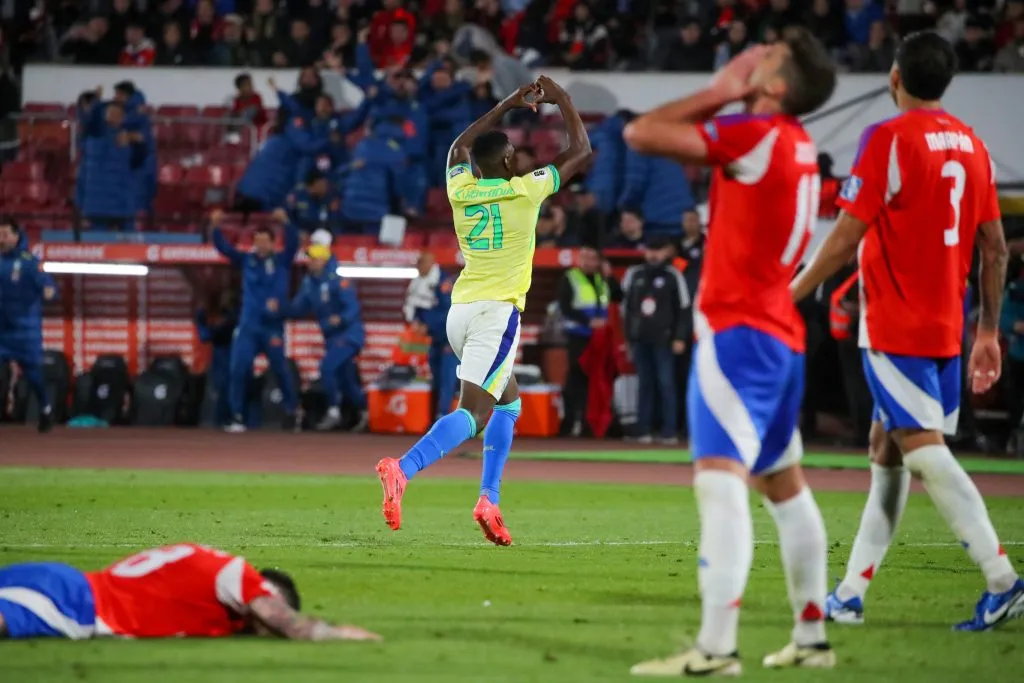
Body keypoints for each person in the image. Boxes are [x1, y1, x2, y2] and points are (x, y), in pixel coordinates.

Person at [791, 31, 1023, 632]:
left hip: (897, 324)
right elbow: (994, 249)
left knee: (923, 452)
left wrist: (787, 294)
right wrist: (988, 332)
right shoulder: (973, 146)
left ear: (895, 77)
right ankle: (849, 594)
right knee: (886, 450)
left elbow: (846, 235)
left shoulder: (888, 139)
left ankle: (1002, 580)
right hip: (949, 325)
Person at [624, 31, 838, 675]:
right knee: (785, 486)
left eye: (766, 58)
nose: (753, 56)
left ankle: (716, 649)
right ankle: (812, 638)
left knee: (720, 486)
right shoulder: (799, 144)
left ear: (775, 86)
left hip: (738, 333)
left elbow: (641, 133)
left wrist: (720, 93)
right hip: (778, 332)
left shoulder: (757, 133)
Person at [375, 76, 592, 546]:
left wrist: (510, 103)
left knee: (509, 403)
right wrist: (562, 100)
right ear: (511, 161)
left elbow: (458, 144)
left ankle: (488, 500)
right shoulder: (526, 190)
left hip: (460, 313)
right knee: (474, 413)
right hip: (497, 315)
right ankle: (403, 468)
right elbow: (581, 152)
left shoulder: (461, 191)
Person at [0, 543, 379, 641]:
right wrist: (342, 635)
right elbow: (291, 625)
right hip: (76, 604)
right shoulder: (240, 576)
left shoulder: (210, 574)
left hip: (62, 581)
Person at [210, 209, 300, 433]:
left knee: (280, 370)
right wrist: (214, 228)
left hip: (272, 328)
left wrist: (286, 222)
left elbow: (294, 243)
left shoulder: (282, 260)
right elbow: (224, 249)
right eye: (257, 241)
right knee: (238, 369)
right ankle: (238, 416)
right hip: (248, 327)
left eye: (265, 241)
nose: (261, 245)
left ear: (272, 243)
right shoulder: (247, 260)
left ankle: (292, 411)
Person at [289, 241, 368, 432]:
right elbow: (298, 308)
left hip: (349, 335)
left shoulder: (338, 280)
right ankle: (367, 411)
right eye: (309, 258)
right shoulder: (309, 283)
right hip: (332, 338)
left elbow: (353, 308)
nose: (310, 262)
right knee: (346, 378)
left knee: (327, 368)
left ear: (323, 260)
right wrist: (282, 309)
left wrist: (339, 318)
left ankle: (333, 411)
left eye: (314, 258)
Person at [621, 236, 692, 444]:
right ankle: (644, 429)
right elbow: (627, 309)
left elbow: (684, 309)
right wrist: (628, 339)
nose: (653, 255)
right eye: (650, 250)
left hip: (665, 339)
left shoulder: (673, 275)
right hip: (640, 339)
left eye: (658, 250)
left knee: (666, 383)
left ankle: (669, 430)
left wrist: (679, 337)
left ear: (665, 252)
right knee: (645, 384)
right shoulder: (634, 274)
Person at [0, 221, 58, 433]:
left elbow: (48, 284)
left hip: (26, 330)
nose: (1, 239)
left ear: (16, 236)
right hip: (1, 329)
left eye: (5, 234)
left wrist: (49, 291)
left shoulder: (29, 262)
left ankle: (45, 408)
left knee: (33, 374)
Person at [557, 245, 614, 437]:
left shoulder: (602, 279)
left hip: (600, 339)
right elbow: (565, 307)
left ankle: (592, 423)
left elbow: (618, 296)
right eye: (583, 257)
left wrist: (610, 276)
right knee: (577, 378)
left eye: (591, 258)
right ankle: (572, 422)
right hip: (578, 337)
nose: (587, 262)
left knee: (597, 380)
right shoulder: (570, 278)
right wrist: (589, 321)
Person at [404, 252, 459, 419]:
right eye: (418, 262)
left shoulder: (444, 282)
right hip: (435, 338)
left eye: (422, 262)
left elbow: (448, 311)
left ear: (431, 263)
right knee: (436, 377)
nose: (418, 266)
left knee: (448, 377)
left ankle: (442, 415)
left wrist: (428, 325)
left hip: (451, 337)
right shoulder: (417, 283)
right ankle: (435, 415)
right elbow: (414, 307)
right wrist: (417, 323)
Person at [195, 290, 239, 428]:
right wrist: (200, 316)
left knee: (229, 392)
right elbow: (206, 335)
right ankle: (220, 423)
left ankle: (231, 420)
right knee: (220, 393)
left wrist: (200, 317)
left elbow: (208, 334)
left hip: (231, 360)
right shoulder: (226, 318)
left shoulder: (235, 318)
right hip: (222, 362)